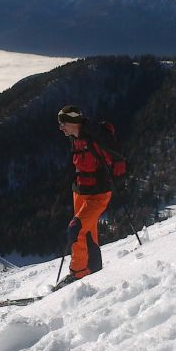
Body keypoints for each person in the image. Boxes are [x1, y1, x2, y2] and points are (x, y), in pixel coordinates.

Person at [56, 104, 114, 287]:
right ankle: (93, 267)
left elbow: (113, 159)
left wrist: (111, 178)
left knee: (76, 228)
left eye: (62, 123)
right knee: (87, 230)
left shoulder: (93, 139)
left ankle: (79, 272)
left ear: (72, 122)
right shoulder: (76, 137)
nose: (60, 128)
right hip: (80, 192)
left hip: (97, 194)